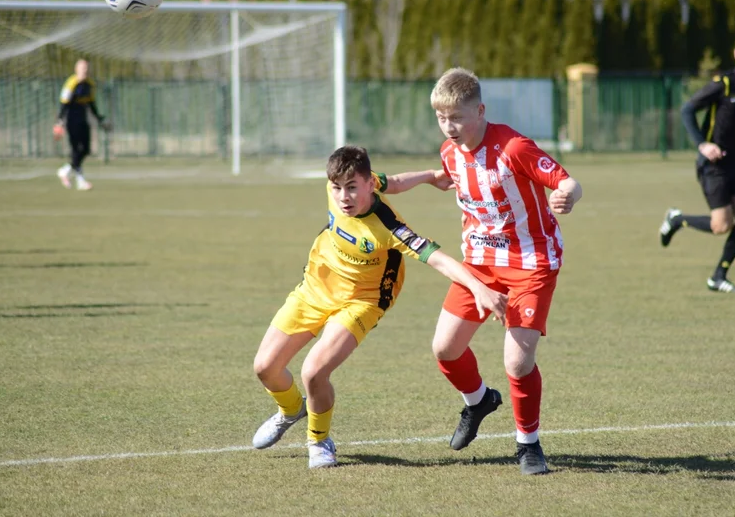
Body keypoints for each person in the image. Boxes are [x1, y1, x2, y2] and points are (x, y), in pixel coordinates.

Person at [250, 145, 507, 469]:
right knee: (265, 367)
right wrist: (430, 177)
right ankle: (290, 410)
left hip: (364, 300)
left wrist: (478, 287)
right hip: (316, 287)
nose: (344, 196)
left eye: (352, 187)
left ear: (369, 184)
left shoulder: (389, 227)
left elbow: (437, 259)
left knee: (314, 371)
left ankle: (319, 441)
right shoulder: (342, 186)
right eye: (337, 188)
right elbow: (396, 181)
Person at [384, 67, 583, 475]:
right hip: (480, 264)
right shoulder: (449, 151)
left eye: (457, 117)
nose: (449, 126)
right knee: (445, 349)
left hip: (531, 262)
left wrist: (566, 196)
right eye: (441, 118)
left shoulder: (514, 147)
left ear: (480, 111)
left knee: (517, 361)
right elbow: (447, 176)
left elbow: (567, 182)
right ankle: (479, 401)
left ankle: (528, 444)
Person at [659, 31, 735, 293]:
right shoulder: (724, 84)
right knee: (721, 225)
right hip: (714, 164)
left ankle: (719, 276)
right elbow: (687, 109)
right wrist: (702, 144)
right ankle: (677, 220)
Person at [54, 59, 109, 191]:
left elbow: (91, 104)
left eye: (86, 68)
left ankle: (66, 171)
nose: (85, 71)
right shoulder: (71, 83)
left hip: (83, 120)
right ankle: (80, 181)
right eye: (82, 68)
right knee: (75, 150)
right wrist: (59, 121)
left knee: (86, 150)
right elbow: (64, 104)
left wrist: (100, 119)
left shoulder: (90, 84)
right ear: (76, 69)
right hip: (72, 120)